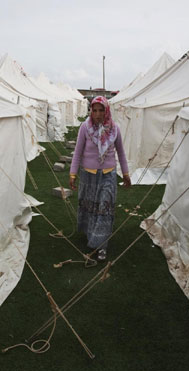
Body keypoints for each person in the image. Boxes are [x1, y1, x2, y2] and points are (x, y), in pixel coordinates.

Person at [69, 96, 131, 262]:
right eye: (94, 110)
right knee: (91, 209)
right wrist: (72, 174)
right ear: (91, 111)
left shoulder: (114, 129)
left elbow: (121, 153)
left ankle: (101, 245)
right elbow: (77, 152)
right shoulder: (85, 128)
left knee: (104, 209)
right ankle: (92, 236)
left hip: (108, 176)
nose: (97, 114)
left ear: (107, 110)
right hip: (88, 175)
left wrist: (125, 174)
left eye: (101, 110)